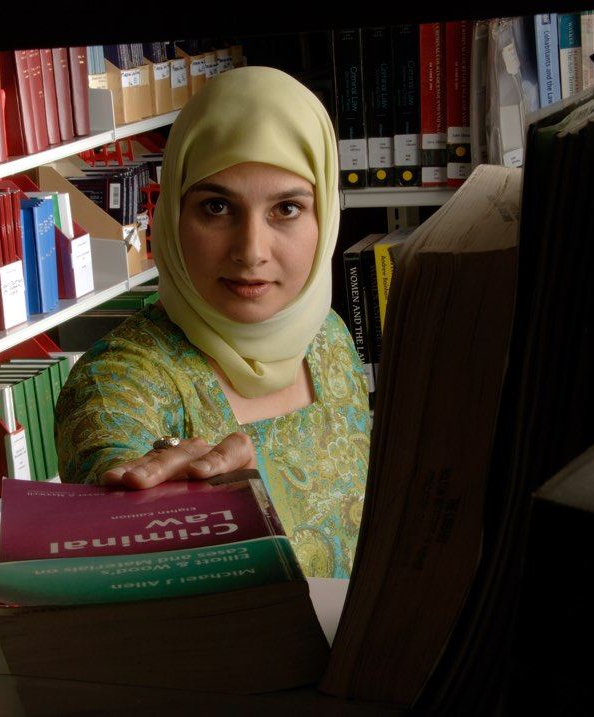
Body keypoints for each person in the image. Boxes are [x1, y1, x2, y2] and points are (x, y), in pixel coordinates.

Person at [55, 66, 371, 579]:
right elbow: (107, 452)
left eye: (286, 208)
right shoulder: (117, 376)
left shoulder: (328, 336)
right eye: (217, 207)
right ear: (174, 215)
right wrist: (144, 493)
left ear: (327, 217)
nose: (251, 252)